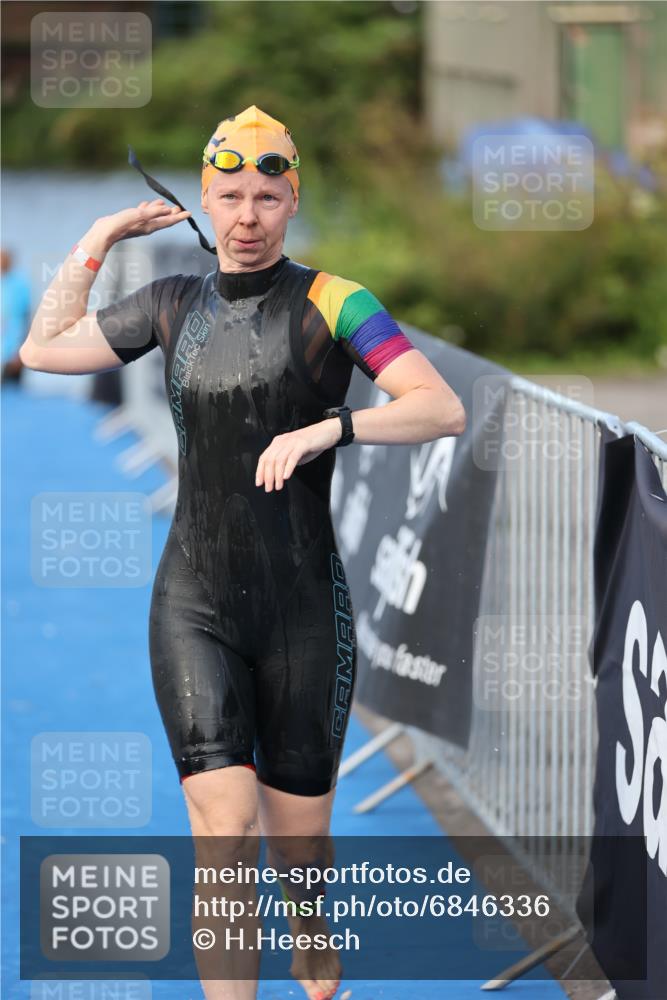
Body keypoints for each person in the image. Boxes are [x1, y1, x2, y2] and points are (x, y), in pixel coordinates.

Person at [19, 106, 466, 1000]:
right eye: (229, 197)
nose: (248, 216)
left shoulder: (337, 301)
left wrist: (330, 429)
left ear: (292, 200)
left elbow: (440, 407)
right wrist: (100, 234)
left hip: (303, 609)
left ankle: (311, 929)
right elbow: (39, 349)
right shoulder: (170, 303)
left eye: (267, 196)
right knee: (223, 830)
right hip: (194, 602)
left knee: (298, 846)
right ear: (204, 202)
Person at [1, 248, 31, 384]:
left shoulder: (20, 285)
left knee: (12, 395)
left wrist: (21, 350)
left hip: (13, 351)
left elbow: (27, 318)